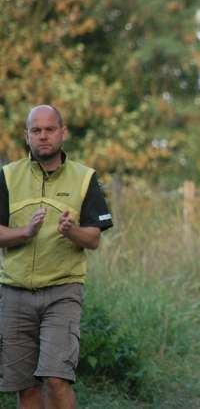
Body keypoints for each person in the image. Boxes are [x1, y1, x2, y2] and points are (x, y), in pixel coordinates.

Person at [0, 105, 113, 408]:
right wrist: (25, 232)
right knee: (25, 387)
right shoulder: (7, 176)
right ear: (26, 136)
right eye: (36, 130)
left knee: (56, 379)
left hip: (62, 292)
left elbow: (93, 239)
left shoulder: (85, 178)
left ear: (63, 133)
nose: (43, 136)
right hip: (14, 293)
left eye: (50, 129)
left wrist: (72, 231)